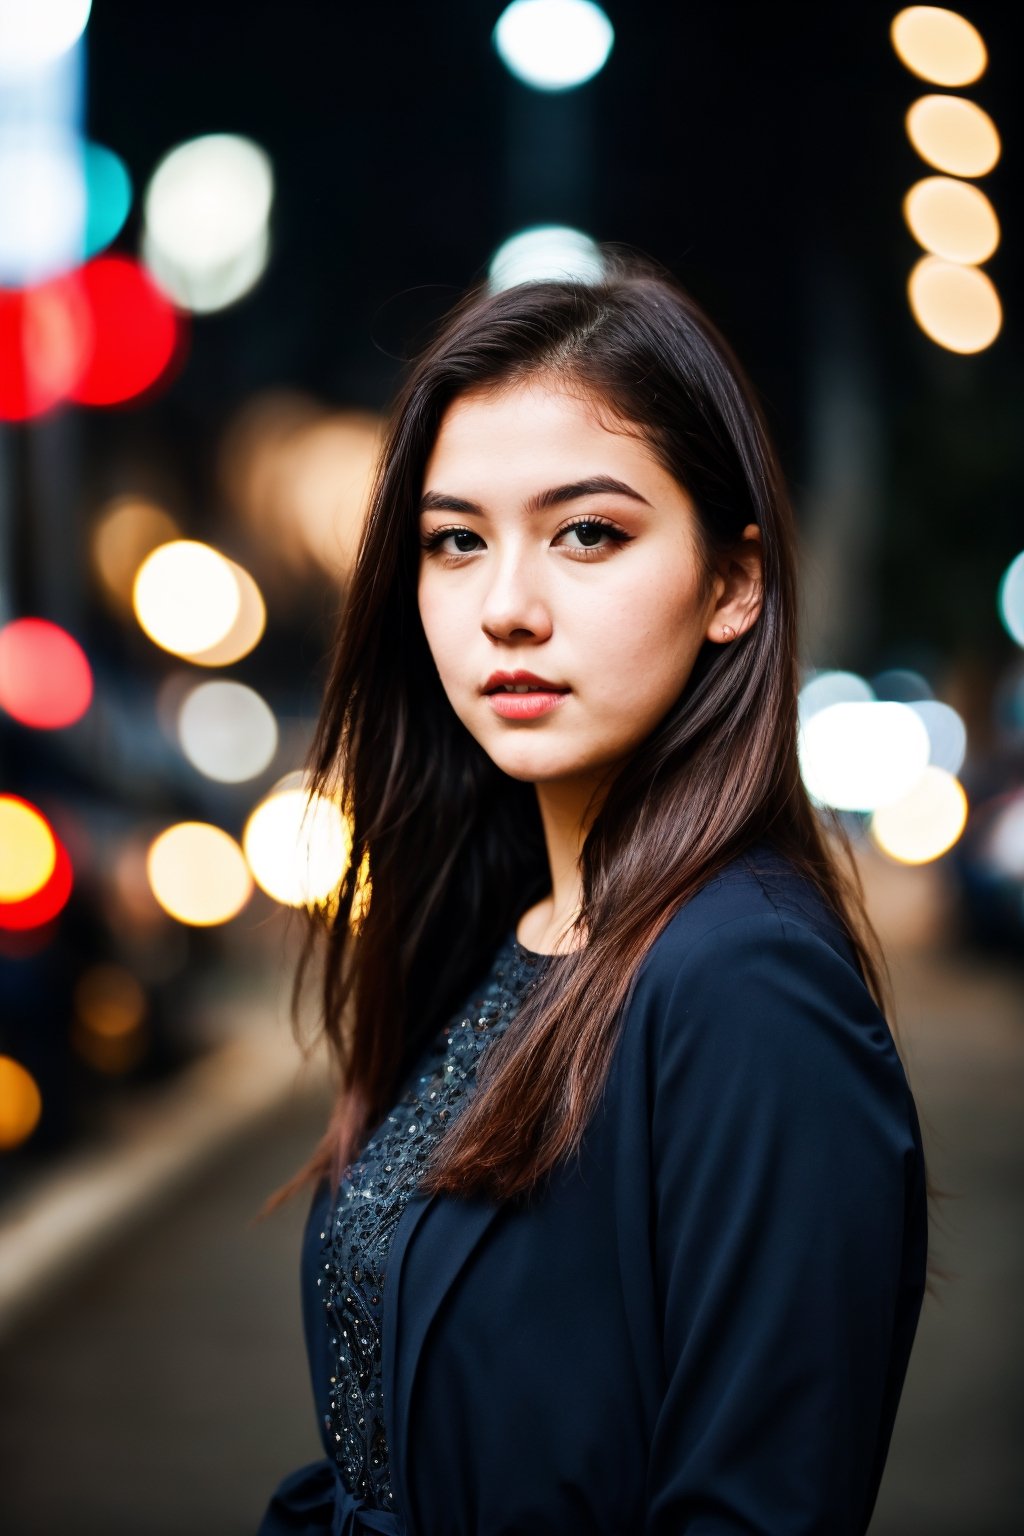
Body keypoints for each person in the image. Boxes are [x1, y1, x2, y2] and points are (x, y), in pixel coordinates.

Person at [256, 251, 930, 1536]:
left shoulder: (743, 981)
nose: (506, 607)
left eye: (587, 535)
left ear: (732, 583)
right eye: (455, 542)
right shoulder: (490, 932)